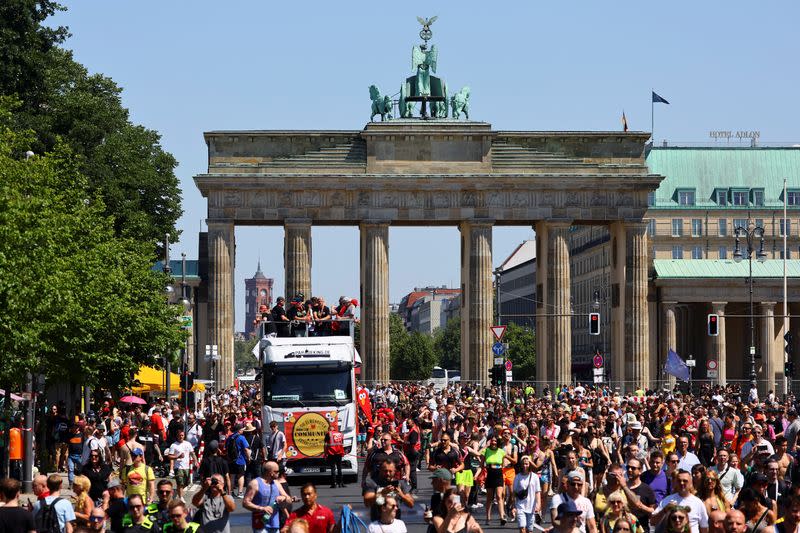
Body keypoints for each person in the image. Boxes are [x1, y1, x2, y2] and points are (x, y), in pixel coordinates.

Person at [243, 460, 293, 533]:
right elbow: (245, 503)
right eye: (276, 471)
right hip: (260, 524)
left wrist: (284, 498)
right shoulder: (255, 484)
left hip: (274, 524)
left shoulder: (276, 483)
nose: (279, 473)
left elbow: (288, 499)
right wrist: (262, 508)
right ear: (270, 472)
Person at [482, 435, 507, 525]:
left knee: (499, 496)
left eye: (495, 441)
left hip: (498, 474)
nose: (493, 442)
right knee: (489, 497)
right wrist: (482, 474)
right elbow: (482, 464)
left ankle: (502, 517)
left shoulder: (501, 451)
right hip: (489, 474)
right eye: (492, 441)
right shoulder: (486, 450)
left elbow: (503, 464)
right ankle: (488, 518)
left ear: (498, 442)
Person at [626, 458, 657, 533]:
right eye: (628, 467)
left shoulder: (647, 489)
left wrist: (640, 506)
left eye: (633, 468)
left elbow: (653, 512)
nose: (629, 470)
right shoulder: (621, 487)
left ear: (640, 471)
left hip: (642, 529)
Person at [513, 455, 542, 533]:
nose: (525, 465)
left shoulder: (535, 477)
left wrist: (538, 505)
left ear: (530, 464)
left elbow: (537, 492)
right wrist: (513, 506)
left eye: (527, 464)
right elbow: (514, 492)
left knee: (530, 530)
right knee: (522, 528)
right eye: (523, 464)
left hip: (531, 506)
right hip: (520, 505)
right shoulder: (517, 477)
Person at [165, 430, 196, 500]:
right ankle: (181, 498)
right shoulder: (173, 445)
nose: (181, 437)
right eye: (179, 436)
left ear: (184, 436)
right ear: (177, 436)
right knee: (180, 483)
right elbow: (169, 456)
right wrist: (177, 457)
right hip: (178, 467)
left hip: (186, 467)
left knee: (186, 483)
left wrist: (196, 461)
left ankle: (178, 491)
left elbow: (192, 453)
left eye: (182, 435)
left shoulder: (188, 444)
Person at [226, 423, 251, 499]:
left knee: (232, 476)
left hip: (231, 460)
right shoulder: (241, 438)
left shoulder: (230, 437)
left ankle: (231, 492)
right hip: (240, 460)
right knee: (241, 476)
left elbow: (226, 448)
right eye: (242, 429)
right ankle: (240, 492)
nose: (243, 431)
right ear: (239, 430)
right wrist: (248, 458)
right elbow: (246, 449)